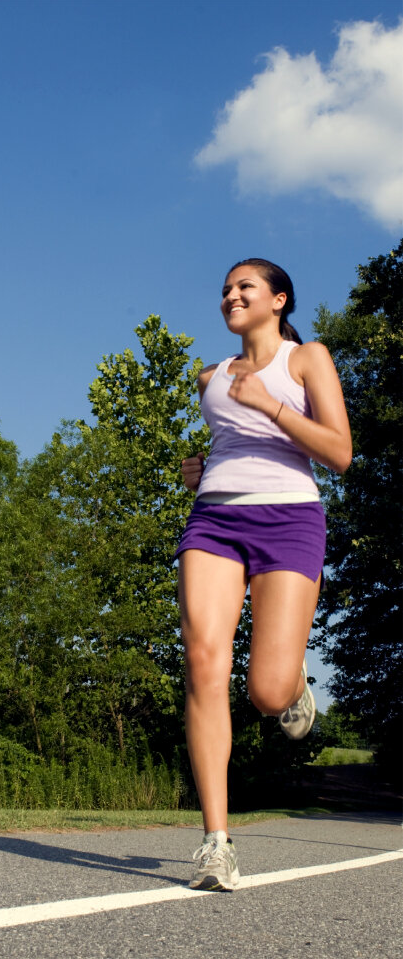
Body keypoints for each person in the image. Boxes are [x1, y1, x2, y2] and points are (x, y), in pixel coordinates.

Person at [177, 258, 352, 891]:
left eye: (244, 286)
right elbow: (232, 439)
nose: (231, 295)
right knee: (203, 659)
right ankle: (215, 843)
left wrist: (273, 405)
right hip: (215, 522)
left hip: (290, 521)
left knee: (267, 694)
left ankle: (292, 689)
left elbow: (339, 453)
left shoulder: (306, 360)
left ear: (278, 300)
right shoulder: (210, 376)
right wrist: (202, 466)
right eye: (225, 289)